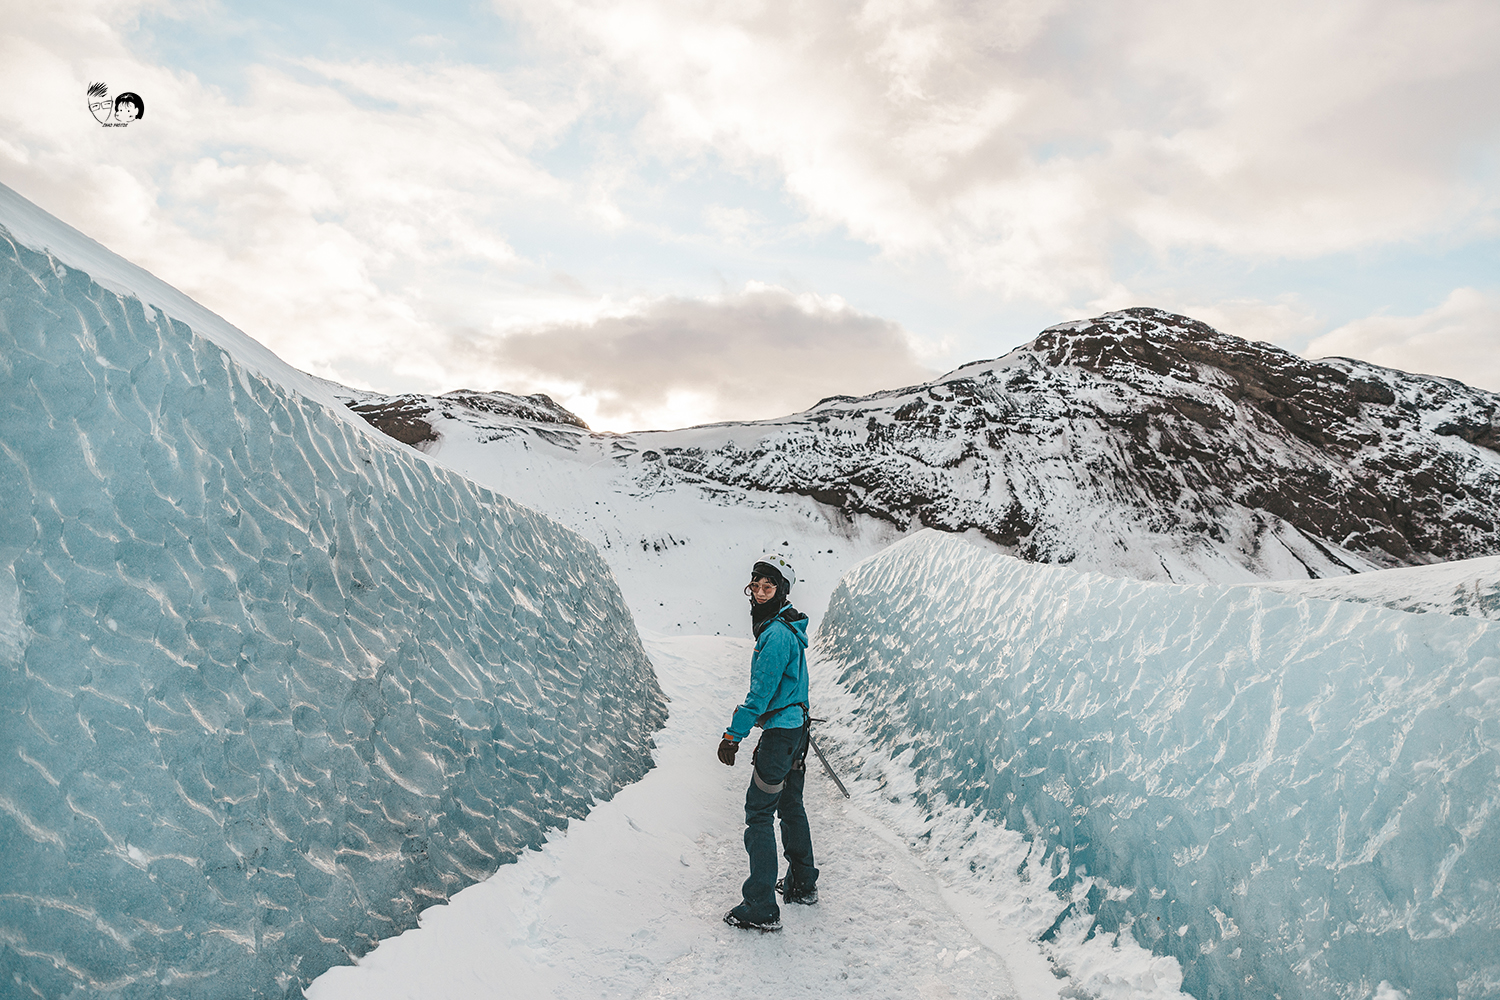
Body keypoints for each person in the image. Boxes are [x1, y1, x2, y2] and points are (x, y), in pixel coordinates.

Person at [717, 554, 819, 932]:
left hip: (779, 735)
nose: (759, 593)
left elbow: (759, 695)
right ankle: (802, 883)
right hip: (795, 730)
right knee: (790, 804)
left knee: (759, 813)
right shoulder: (789, 628)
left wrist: (733, 735)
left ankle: (761, 906)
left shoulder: (775, 634)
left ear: (781, 591)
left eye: (768, 586)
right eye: (755, 585)